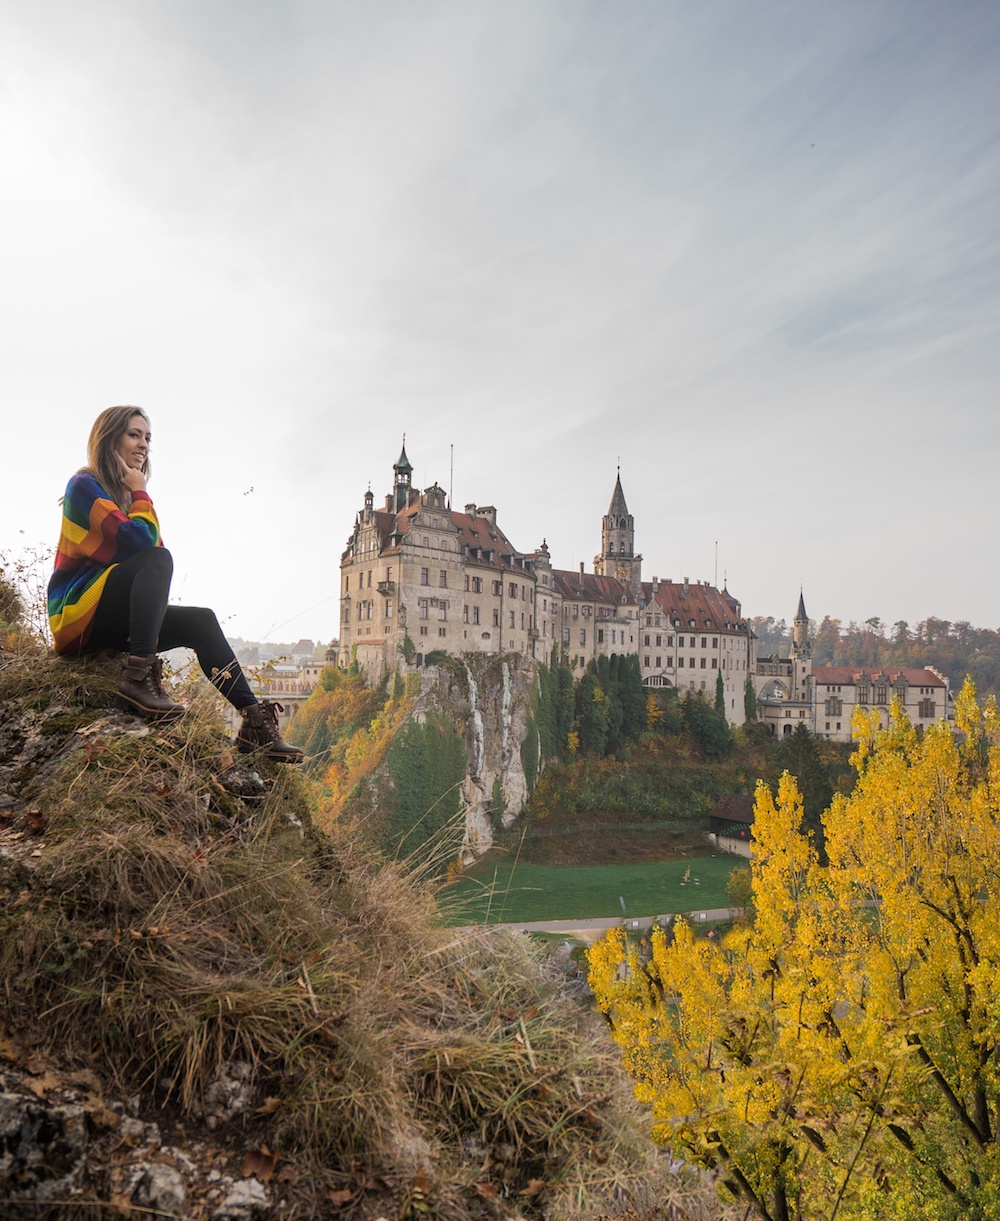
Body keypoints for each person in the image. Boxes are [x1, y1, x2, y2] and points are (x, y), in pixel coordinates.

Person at [47, 405, 303, 763]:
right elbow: (141, 545)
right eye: (134, 435)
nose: (143, 445)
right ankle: (137, 678)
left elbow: (151, 549)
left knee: (201, 620)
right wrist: (140, 494)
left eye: (147, 438)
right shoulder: (83, 485)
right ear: (110, 439)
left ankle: (253, 723)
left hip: (111, 618)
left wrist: (136, 497)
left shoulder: (127, 498)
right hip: (78, 616)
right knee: (156, 559)